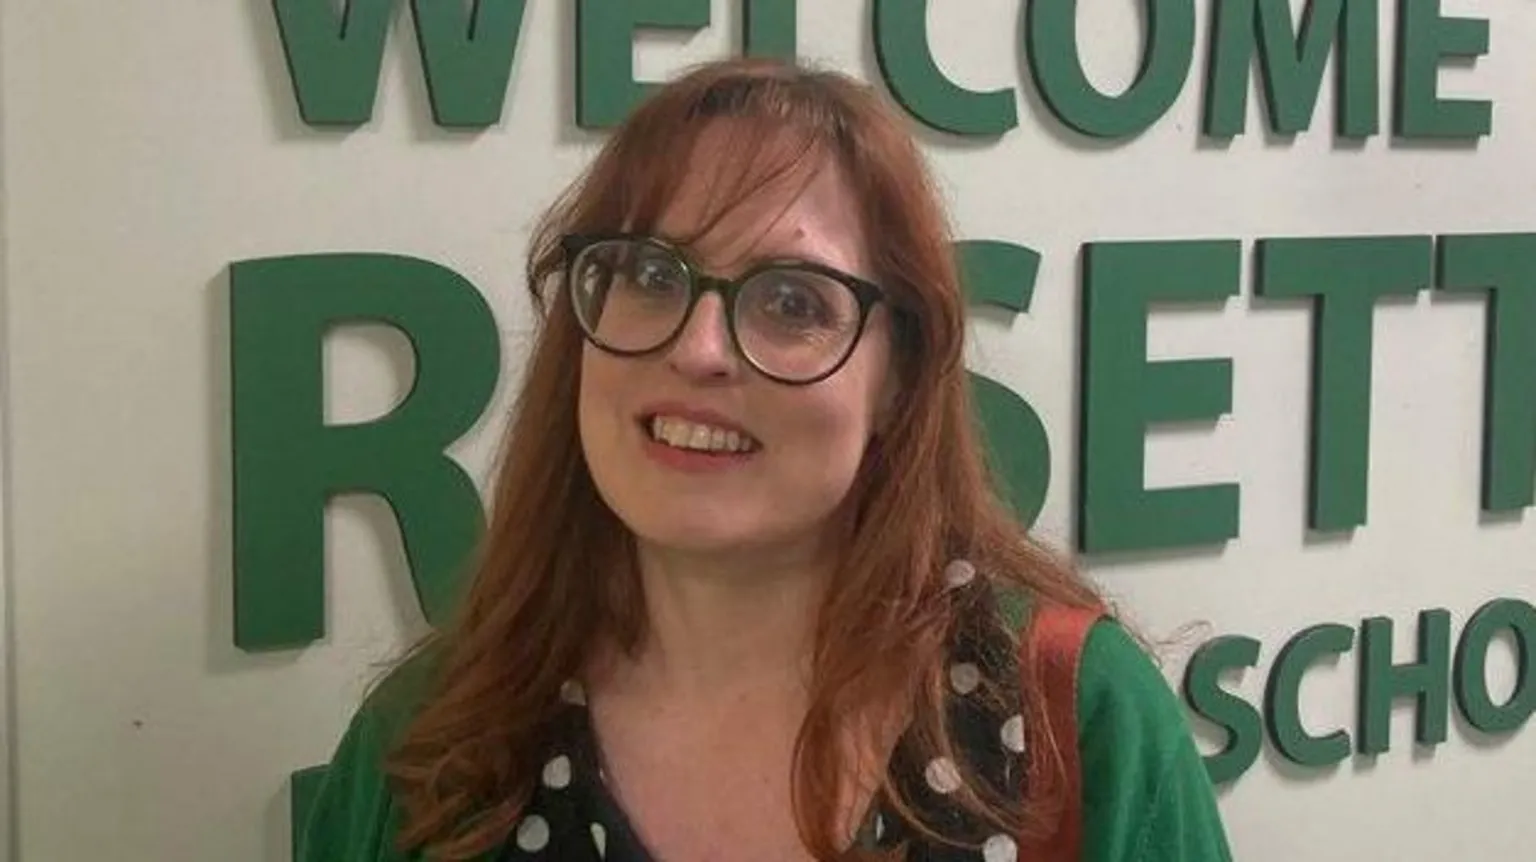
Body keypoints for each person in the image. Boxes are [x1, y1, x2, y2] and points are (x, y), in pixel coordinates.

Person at [298, 57, 1232, 862]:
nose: (699, 349)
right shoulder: (433, 747)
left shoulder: (1078, 722)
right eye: (652, 276)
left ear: (899, 377)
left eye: (793, 301)